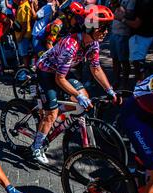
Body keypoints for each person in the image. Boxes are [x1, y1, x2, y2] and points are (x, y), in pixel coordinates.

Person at [31, 5, 118, 164]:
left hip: (61, 70)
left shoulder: (93, 44)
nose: (106, 32)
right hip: (46, 71)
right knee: (53, 112)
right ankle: (36, 147)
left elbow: (96, 68)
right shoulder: (71, 45)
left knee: (84, 99)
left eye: (107, 28)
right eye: (103, 28)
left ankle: (56, 111)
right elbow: (59, 79)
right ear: (91, 27)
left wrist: (109, 90)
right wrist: (76, 96)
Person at [121, 0, 153, 82]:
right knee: (137, 63)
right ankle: (141, 85)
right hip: (141, 35)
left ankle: (140, 87)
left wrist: (122, 19)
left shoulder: (145, 2)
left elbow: (136, 24)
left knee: (138, 63)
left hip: (141, 36)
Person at [109, 0, 136, 89]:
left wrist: (118, 6)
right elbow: (111, 12)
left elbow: (130, 15)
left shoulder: (131, 1)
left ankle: (124, 84)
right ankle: (116, 81)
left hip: (123, 33)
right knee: (115, 59)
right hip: (114, 32)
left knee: (124, 60)